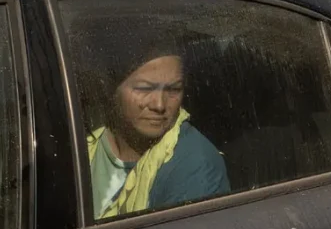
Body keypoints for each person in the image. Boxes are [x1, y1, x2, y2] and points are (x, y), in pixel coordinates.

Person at [88, 49, 229, 220]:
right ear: (111, 89)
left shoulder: (196, 166)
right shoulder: (83, 140)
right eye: (144, 89)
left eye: (173, 90)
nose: (160, 105)